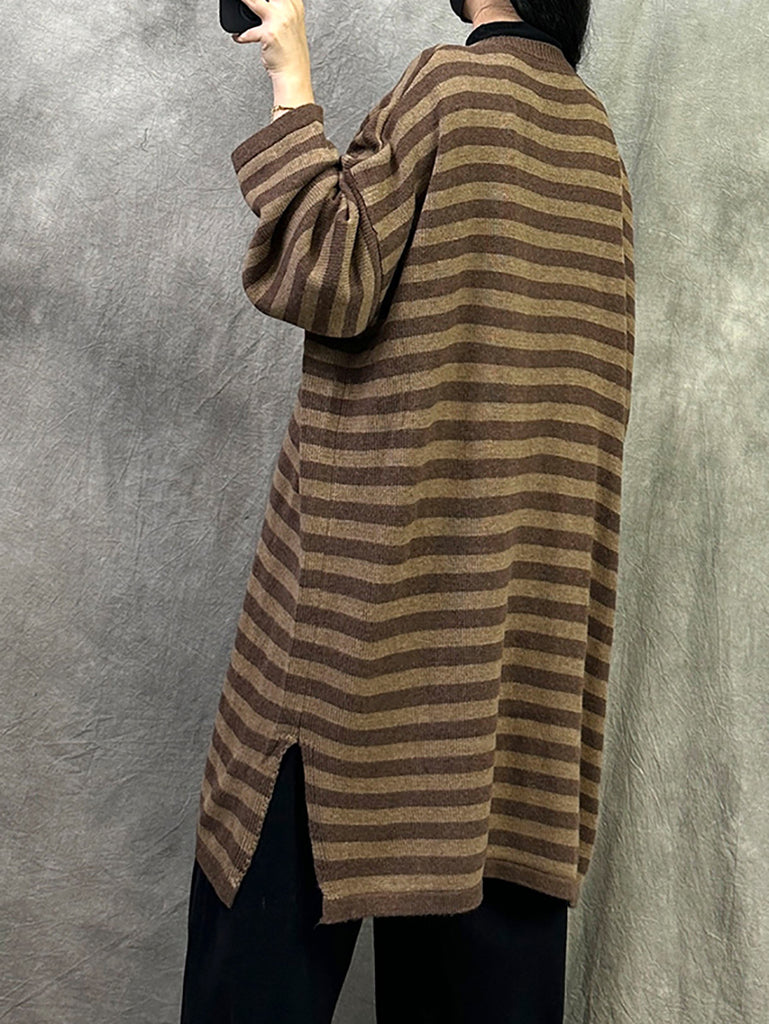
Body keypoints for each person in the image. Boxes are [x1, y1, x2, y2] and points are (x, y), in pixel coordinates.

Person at [181, 0, 634, 1021]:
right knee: (481, 968)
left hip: (357, 645)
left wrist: (290, 74)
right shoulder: (592, 136)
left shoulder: (449, 89)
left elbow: (322, 275)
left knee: (254, 972)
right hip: (506, 682)